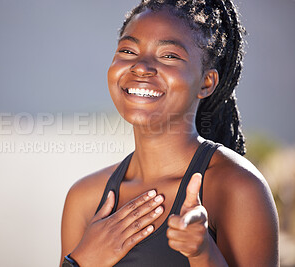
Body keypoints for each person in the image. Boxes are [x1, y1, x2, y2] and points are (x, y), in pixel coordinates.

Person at [60, 0, 279, 266]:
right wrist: (82, 259)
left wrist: (203, 254)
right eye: (128, 50)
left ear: (206, 82)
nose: (140, 66)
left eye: (169, 56)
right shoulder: (85, 197)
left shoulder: (238, 188)